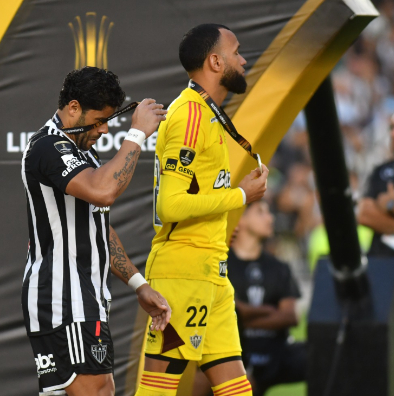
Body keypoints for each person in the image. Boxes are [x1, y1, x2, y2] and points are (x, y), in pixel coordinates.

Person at [21, 66, 171, 396]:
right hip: (63, 298)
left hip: (84, 299)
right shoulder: (48, 146)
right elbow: (104, 191)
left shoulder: (81, 148)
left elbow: (97, 224)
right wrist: (135, 135)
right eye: (99, 121)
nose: (104, 130)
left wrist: (138, 284)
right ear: (73, 108)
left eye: (108, 121)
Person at [137, 24, 268, 396]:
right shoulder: (189, 115)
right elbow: (171, 204)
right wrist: (240, 196)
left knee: (236, 388)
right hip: (183, 275)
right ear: (215, 61)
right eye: (237, 52)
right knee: (156, 391)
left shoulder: (206, 114)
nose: (244, 60)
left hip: (212, 271)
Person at [226, 200, 305, 396]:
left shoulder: (279, 267)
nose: (271, 218)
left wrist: (243, 318)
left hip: (276, 351)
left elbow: (290, 317)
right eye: (261, 212)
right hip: (234, 352)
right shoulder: (221, 263)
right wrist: (266, 311)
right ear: (240, 220)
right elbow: (226, 312)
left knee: (323, 355)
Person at [357, 113, 394, 258]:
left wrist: (389, 204)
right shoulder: (381, 171)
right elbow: (364, 214)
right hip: (381, 260)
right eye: (391, 128)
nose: (392, 134)